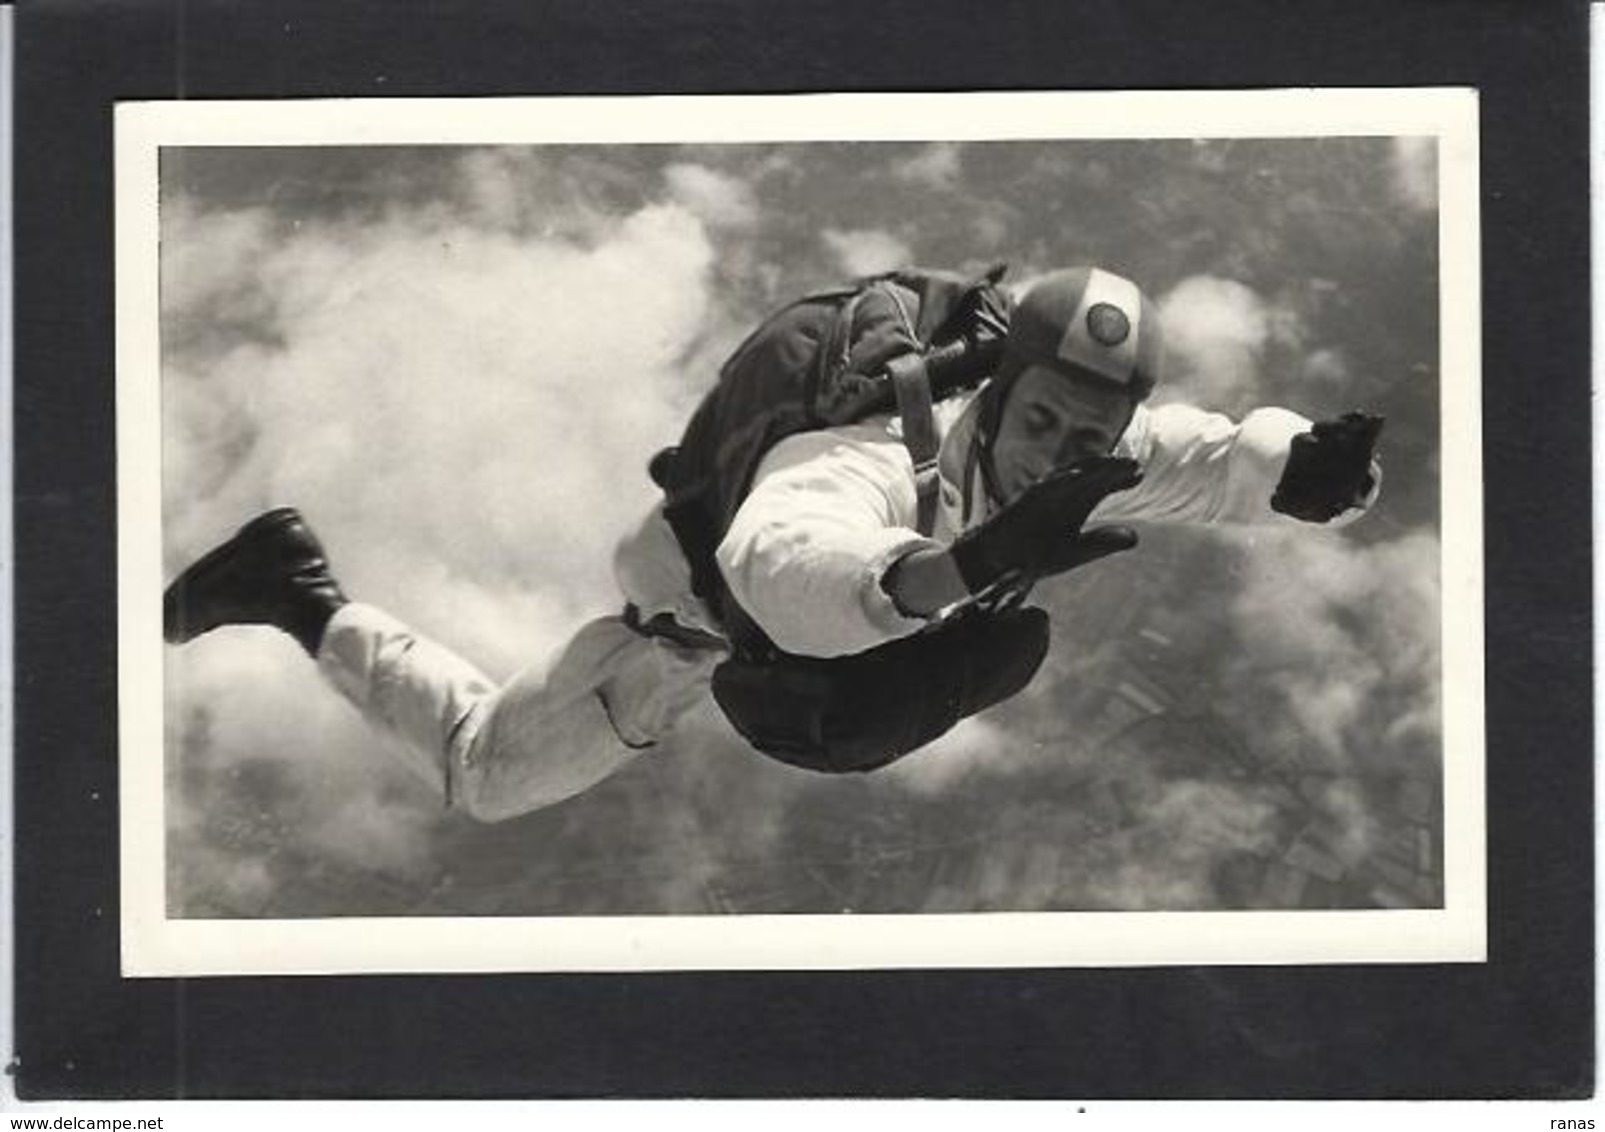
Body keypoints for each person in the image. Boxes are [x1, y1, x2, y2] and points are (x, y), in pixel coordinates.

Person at [163, 266, 1383, 822]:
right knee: (485, 777)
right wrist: (957, 566)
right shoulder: (874, 452)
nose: (1062, 448)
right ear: (999, 388)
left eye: (1091, 429)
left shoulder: (1091, 459)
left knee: (1000, 631)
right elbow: (779, 566)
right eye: (1046, 415)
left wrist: (1305, 467)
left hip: (734, 608)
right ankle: (297, 590)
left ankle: (293, 587)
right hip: (692, 624)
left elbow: (1214, 458)